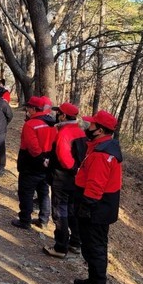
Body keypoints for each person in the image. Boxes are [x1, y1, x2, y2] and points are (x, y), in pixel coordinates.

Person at [73, 110, 122, 284]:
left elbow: (95, 184)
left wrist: (86, 206)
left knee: (95, 248)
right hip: (98, 207)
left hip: (97, 209)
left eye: (92, 125)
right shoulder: (100, 146)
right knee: (91, 246)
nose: (88, 126)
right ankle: (93, 281)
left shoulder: (102, 154)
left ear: (100, 130)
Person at [42, 103, 86, 259]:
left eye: (58, 113)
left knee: (59, 213)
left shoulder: (64, 132)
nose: (56, 115)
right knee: (72, 211)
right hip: (75, 180)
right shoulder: (80, 131)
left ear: (64, 116)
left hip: (62, 179)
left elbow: (64, 158)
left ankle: (60, 247)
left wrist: (72, 168)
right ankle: (75, 242)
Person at [12, 96, 56, 229]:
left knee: (26, 192)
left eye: (29, 107)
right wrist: (46, 160)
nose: (27, 109)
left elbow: (33, 146)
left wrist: (40, 159)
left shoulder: (30, 124)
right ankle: (43, 219)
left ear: (33, 109)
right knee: (43, 192)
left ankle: (25, 219)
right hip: (47, 162)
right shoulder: (52, 123)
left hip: (31, 163)